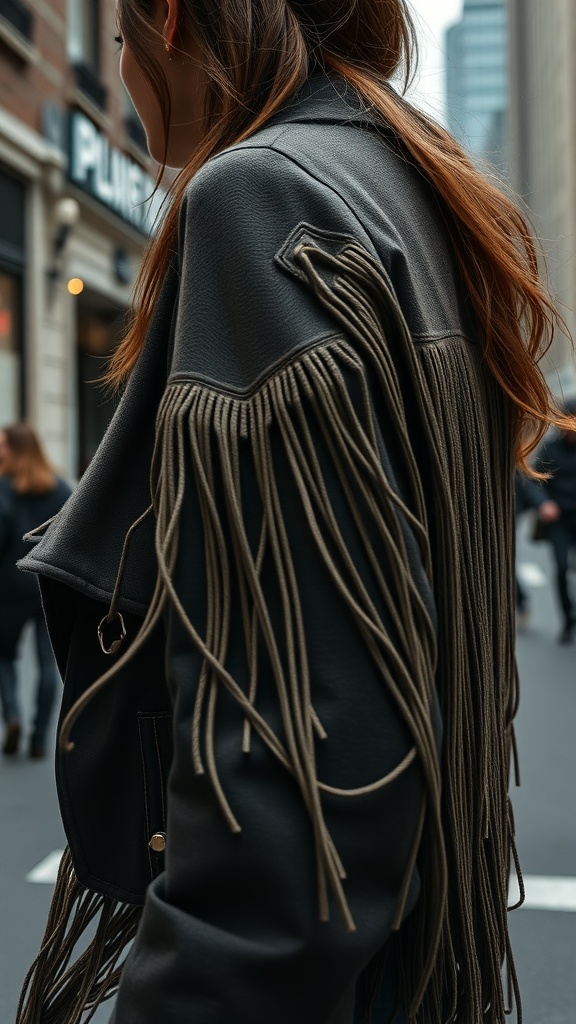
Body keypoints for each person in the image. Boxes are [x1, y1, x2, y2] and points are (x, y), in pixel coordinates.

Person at [14, 3, 576, 1023]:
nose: (121, 69)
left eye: (119, 38)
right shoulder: (409, 180)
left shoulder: (259, 193)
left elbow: (302, 784)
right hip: (409, 962)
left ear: (168, 20)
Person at [0, 424, 71, 758]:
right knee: (47, 662)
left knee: (4, 656)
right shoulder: (60, 489)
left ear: (15, 449)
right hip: (47, 584)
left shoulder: (3, 488)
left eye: (2, 444)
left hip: (8, 588)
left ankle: (13, 716)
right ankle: (40, 739)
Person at [533, 398, 576, 643]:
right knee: (561, 568)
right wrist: (544, 503)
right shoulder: (550, 449)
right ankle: (568, 619)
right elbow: (534, 480)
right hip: (559, 518)